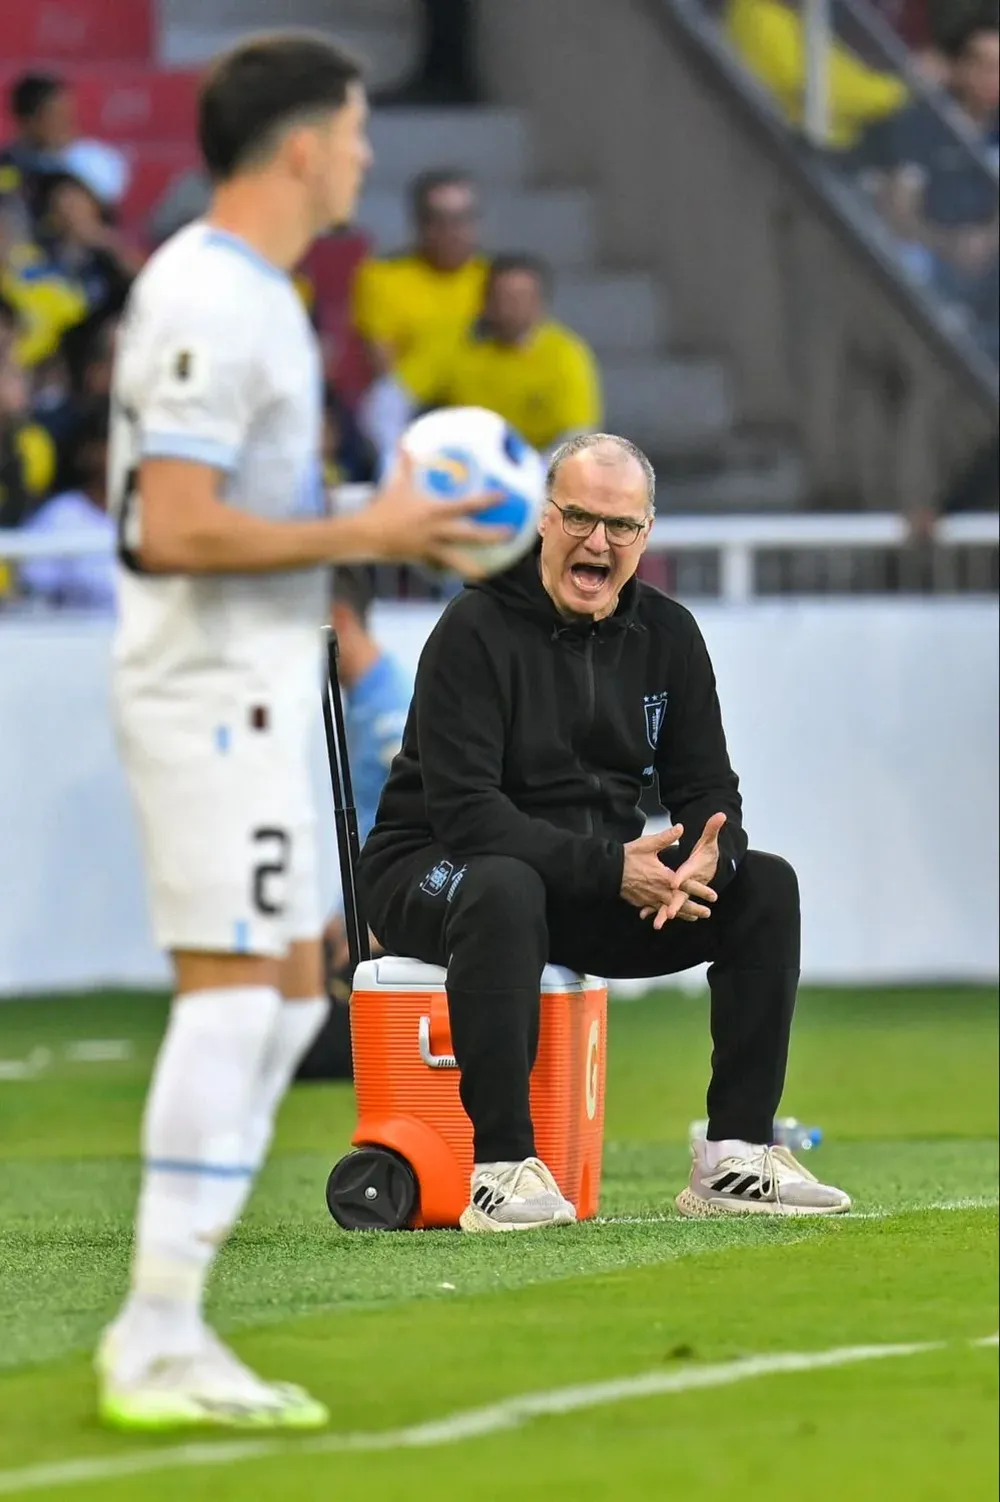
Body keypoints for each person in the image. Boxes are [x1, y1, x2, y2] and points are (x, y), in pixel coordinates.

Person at [98, 31, 506, 1434]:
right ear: (295, 147)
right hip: (208, 695)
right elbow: (172, 521)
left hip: (257, 690)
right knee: (238, 993)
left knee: (281, 997)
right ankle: (155, 1332)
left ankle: (171, 1322)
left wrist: (361, 534)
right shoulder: (212, 295)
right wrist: (379, 526)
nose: (365, 156)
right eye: (351, 130)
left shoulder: (255, 295)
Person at [358, 433, 852, 1234]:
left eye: (621, 526)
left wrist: (702, 864)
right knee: (502, 883)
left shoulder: (669, 635)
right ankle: (502, 1170)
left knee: (766, 884)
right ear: (542, 522)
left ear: (646, 536)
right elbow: (467, 815)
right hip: (435, 866)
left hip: (586, 879)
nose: (598, 541)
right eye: (580, 517)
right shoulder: (473, 628)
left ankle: (736, 1153)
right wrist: (611, 871)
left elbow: (708, 789)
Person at [297, 565, 411, 1081]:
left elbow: (417, 830)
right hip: (363, 916)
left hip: (389, 925)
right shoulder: (364, 702)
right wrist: (338, 916)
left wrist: (374, 924)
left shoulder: (390, 712)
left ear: (338, 620)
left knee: (301, 1050)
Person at [407, 254, 602, 454]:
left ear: (541, 304)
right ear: (484, 301)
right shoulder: (457, 341)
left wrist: (531, 472)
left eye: (520, 298)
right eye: (500, 297)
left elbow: (578, 434)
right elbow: (391, 398)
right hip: (463, 466)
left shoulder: (566, 354)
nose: (508, 308)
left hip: (539, 467)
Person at [17, 401, 114, 611]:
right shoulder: (59, 516)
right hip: (74, 640)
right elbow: (36, 597)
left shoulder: (154, 513)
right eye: (109, 446)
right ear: (87, 453)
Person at [0, 72, 77, 232]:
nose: (68, 125)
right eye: (57, 115)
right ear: (29, 119)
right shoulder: (7, 169)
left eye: (69, 115)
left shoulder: (79, 167)